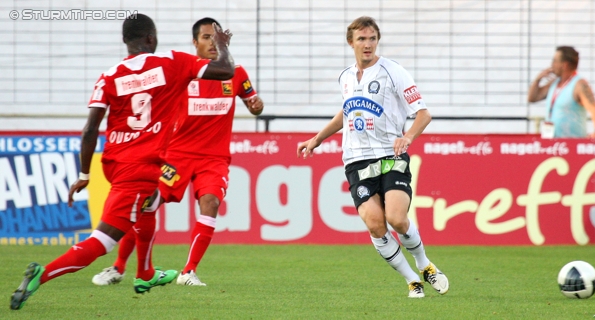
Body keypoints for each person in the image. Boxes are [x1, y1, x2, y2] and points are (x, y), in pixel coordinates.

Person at [10, 13, 235, 310]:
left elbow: (90, 129)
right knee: (103, 241)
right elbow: (224, 70)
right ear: (152, 39)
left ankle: (146, 272)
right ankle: (45, 274)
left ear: (124, 41)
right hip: (141, 168)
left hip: (117, 165)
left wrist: (84, 174)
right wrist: (222, 44)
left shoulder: (109, 76)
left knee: (149, 204)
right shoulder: (173, 62)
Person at [91, 17, 264, 287]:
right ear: (194, 43)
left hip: (214, 158)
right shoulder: (183, 71)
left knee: (211, 203)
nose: (212, 42)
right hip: (176, 155)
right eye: (206, 37)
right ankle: (118, 266)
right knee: (144, 204)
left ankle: (188, 272)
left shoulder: (236, 72)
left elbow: (252, 101)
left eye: (215, 37)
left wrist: (255, 105)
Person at [296, 16, 449, 298]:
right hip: (356, 160)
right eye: (362, 39)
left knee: (397, 218)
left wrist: (408, 137)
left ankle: (424, 264)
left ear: (377, 41)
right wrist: (317, 139)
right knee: (376, 224)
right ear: (351, 43)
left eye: (372, 39)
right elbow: (346, 112)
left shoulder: (394, 72)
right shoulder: (345, 77)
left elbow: (424, 114)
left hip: (390, 155)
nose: (368, 45)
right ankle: (411, 280)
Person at [527, 46, 595, 139]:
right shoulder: (555, 83)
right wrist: (538, 79)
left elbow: (594, 109)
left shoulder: (579, 84)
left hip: (572, 142)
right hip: (552, 141)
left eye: (555, 61)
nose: (552, 65)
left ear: (564, 65)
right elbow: (533, 98)